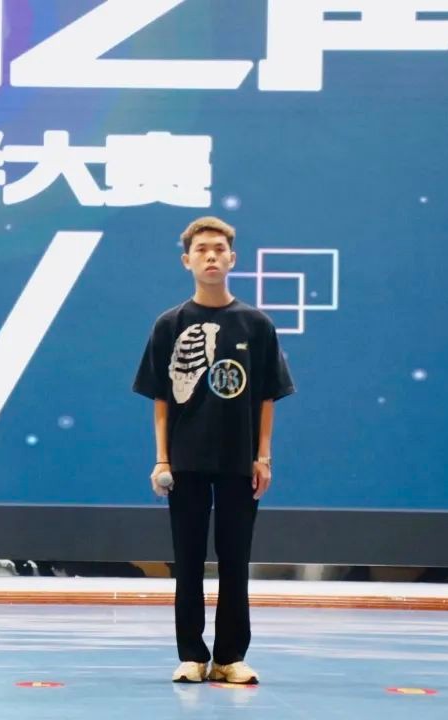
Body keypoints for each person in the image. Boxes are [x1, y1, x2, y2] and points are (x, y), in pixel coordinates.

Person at [132, 217, 294, 685]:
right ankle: (191, 655)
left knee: (235, 560)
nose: (211, 256)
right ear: (187, 260)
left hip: (239, 463)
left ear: (232, 259)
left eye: (219, 249)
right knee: (187, 561)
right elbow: (161, 400)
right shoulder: (170, 325)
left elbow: (266, 398)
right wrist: (162, 459)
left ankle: (229, 657)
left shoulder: (256, 325)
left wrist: (263, 457)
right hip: (185, 463)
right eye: (202, 249)